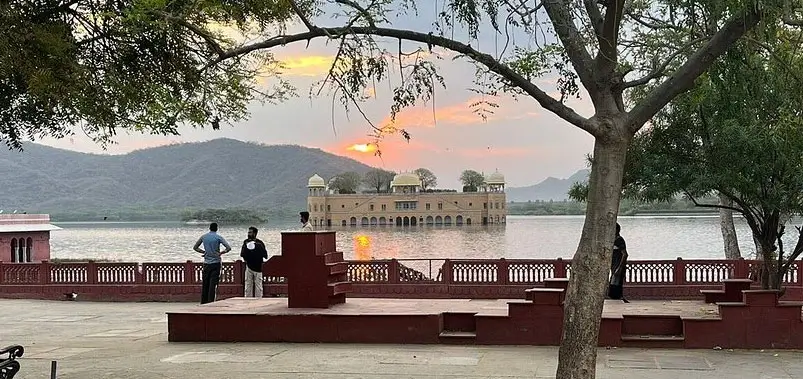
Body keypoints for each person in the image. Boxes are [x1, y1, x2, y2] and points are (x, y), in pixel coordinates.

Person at [193, 222, 231, 304]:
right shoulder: (218, 237)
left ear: (209, 228)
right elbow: (228, 248)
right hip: (216, 263)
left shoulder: (204, 237)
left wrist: (204, 252)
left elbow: (195, 247)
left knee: (205, 283)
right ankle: (211, 302)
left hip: (206, 263)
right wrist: (221, 253)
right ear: (216, 229)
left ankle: (203, 302)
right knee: (213, 285)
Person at [240, 226, 268, 298]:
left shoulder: (260, 243)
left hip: (258, 267)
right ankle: (248, 300)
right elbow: (243, 254)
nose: (248, 234)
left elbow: (265, 255)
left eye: (250, 232)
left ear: (255, 233)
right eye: (248, 232)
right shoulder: (246, 242)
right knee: (248, 286)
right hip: (249, 266)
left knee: (258, 286)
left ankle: (258, 300)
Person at [608, 223, 630, 303]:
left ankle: (619, 300)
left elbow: (625, 254)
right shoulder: (611, 240)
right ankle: (617, 300)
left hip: (619, 266)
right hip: (613, 266)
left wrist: (620, 268)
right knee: (613, 285)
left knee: (615, 284)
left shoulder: (619, 240)